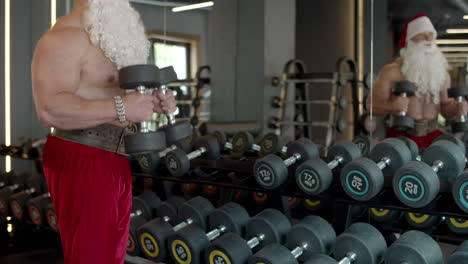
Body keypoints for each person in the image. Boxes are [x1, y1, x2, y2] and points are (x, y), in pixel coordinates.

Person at [31, 0, 176, 263]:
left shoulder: (110, 37)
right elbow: (49, 109)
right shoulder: (65, 37)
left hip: (116, 157)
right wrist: (121, 107)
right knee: (92, 257)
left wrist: (152, 102)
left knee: (113, 256)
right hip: (82, 154)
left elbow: (119, 102)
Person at [369, 13, 467, 148]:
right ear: (410, 39)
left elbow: (445, 109)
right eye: (422, 33)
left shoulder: (442, 74)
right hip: (400, 137)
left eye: (431, 34)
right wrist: (392, 106)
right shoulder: (391, 71)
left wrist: (457, 108)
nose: (428, 38)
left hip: (433, 137)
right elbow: (371, 106)